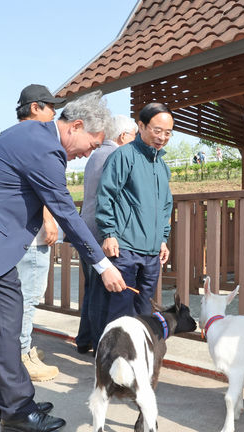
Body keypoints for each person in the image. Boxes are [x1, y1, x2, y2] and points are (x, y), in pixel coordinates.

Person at [0, 90, 127, 432]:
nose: (87, 154)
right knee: (8, 319)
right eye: (92, 145)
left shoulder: (26, 132)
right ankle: (18, 410)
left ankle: (3, 400)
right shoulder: (46, 148)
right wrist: (102, 265)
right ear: (76, 126)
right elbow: (65, 210)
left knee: (1, 321)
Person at [94, 103, 173, 334]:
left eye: (168, 133)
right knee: (120, 307)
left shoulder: (162, 165)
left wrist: (162, 239)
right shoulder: (123, 156)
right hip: (125, 247)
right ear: (141, 126)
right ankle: (111, 360)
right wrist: (109, 233)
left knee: (144, 309)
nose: (162, 137)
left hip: (151, 252)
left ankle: (137, 358)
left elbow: (165, 205)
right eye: (157, 130)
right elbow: (106, 195)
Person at [13, 84, 66, 381]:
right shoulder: (35, 139)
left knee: (23, 297)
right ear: (35, 108)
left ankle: (22, 348)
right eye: (50, 108)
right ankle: (21, 355)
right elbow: (39, 185)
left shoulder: (12, 137)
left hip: (16, 234)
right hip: (30, 236)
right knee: (28, 297)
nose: (54, 115)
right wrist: (49, 218)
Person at [75, 114, 138, 354]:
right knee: (102, 292)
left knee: (92, 289)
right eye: (134, 136)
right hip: (102, 232)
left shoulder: (96, 154)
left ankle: (84, 339)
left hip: (86, 228)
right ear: (123, 136)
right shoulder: (117, 154)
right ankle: (102, 347)